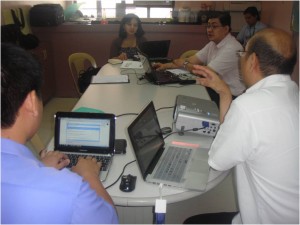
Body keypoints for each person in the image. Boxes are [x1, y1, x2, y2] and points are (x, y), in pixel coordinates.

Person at [184, 28, 299, 224]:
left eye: (243, 54)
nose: (241, 59)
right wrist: (225, 93)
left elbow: (216, 160)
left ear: (252, 61)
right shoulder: (293, 93)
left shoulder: (248, 107)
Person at [1, 43, 119, 224]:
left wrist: (39, 167)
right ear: (32, 102)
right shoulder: (70, 190)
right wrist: (89, 175)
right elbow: (110, 220)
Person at [154, 11, 245, 106]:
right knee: (180, 92)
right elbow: (191, 60)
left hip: (231, 97)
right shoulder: (213, 44)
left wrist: (184, 64)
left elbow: (206, 73)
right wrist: (164, 66)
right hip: (216, 89)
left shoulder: (232, 48)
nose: (209, 30)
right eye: (208, 26)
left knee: (187, 99)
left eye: (214, 26)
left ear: (226, 29)